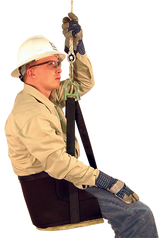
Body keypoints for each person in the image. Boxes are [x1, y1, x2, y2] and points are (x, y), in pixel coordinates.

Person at [2, 12, 158, 237]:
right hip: (54, 196)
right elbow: (58, 163)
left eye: (59, 63)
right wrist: (103, 179)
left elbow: (82, 85)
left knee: (136, 207)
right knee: (139, 212)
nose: (60, 69)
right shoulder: (31, 113)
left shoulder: (44, 97)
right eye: (52, 64)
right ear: (31, 71)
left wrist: (78, 47)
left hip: (62, 184)